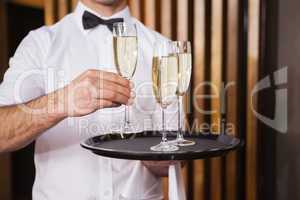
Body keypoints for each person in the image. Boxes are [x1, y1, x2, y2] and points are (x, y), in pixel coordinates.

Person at [0, 0, 181, 199]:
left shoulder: (164, 50)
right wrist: (62, 102)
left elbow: (168, 163)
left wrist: (161, 152)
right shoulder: (40, 44)